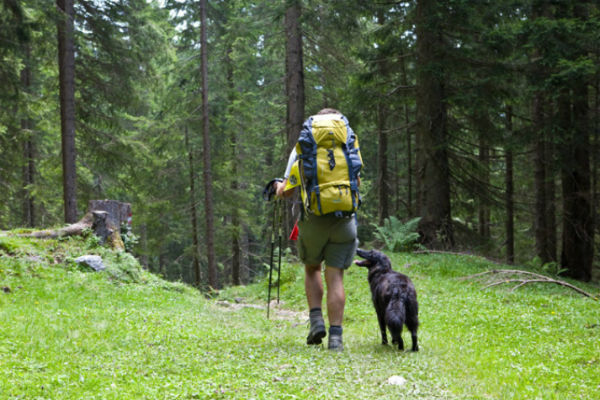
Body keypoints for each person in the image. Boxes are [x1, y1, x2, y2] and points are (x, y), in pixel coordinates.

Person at [275, 108, 360, 351]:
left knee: (312, 268)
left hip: (312, 220)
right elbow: (357, 182)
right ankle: (336, 338)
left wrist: (278, 187)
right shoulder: (348, 143)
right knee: (336, 276)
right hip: (344, 220)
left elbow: (288, 190)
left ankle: (316, 322)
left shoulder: (304, 146)